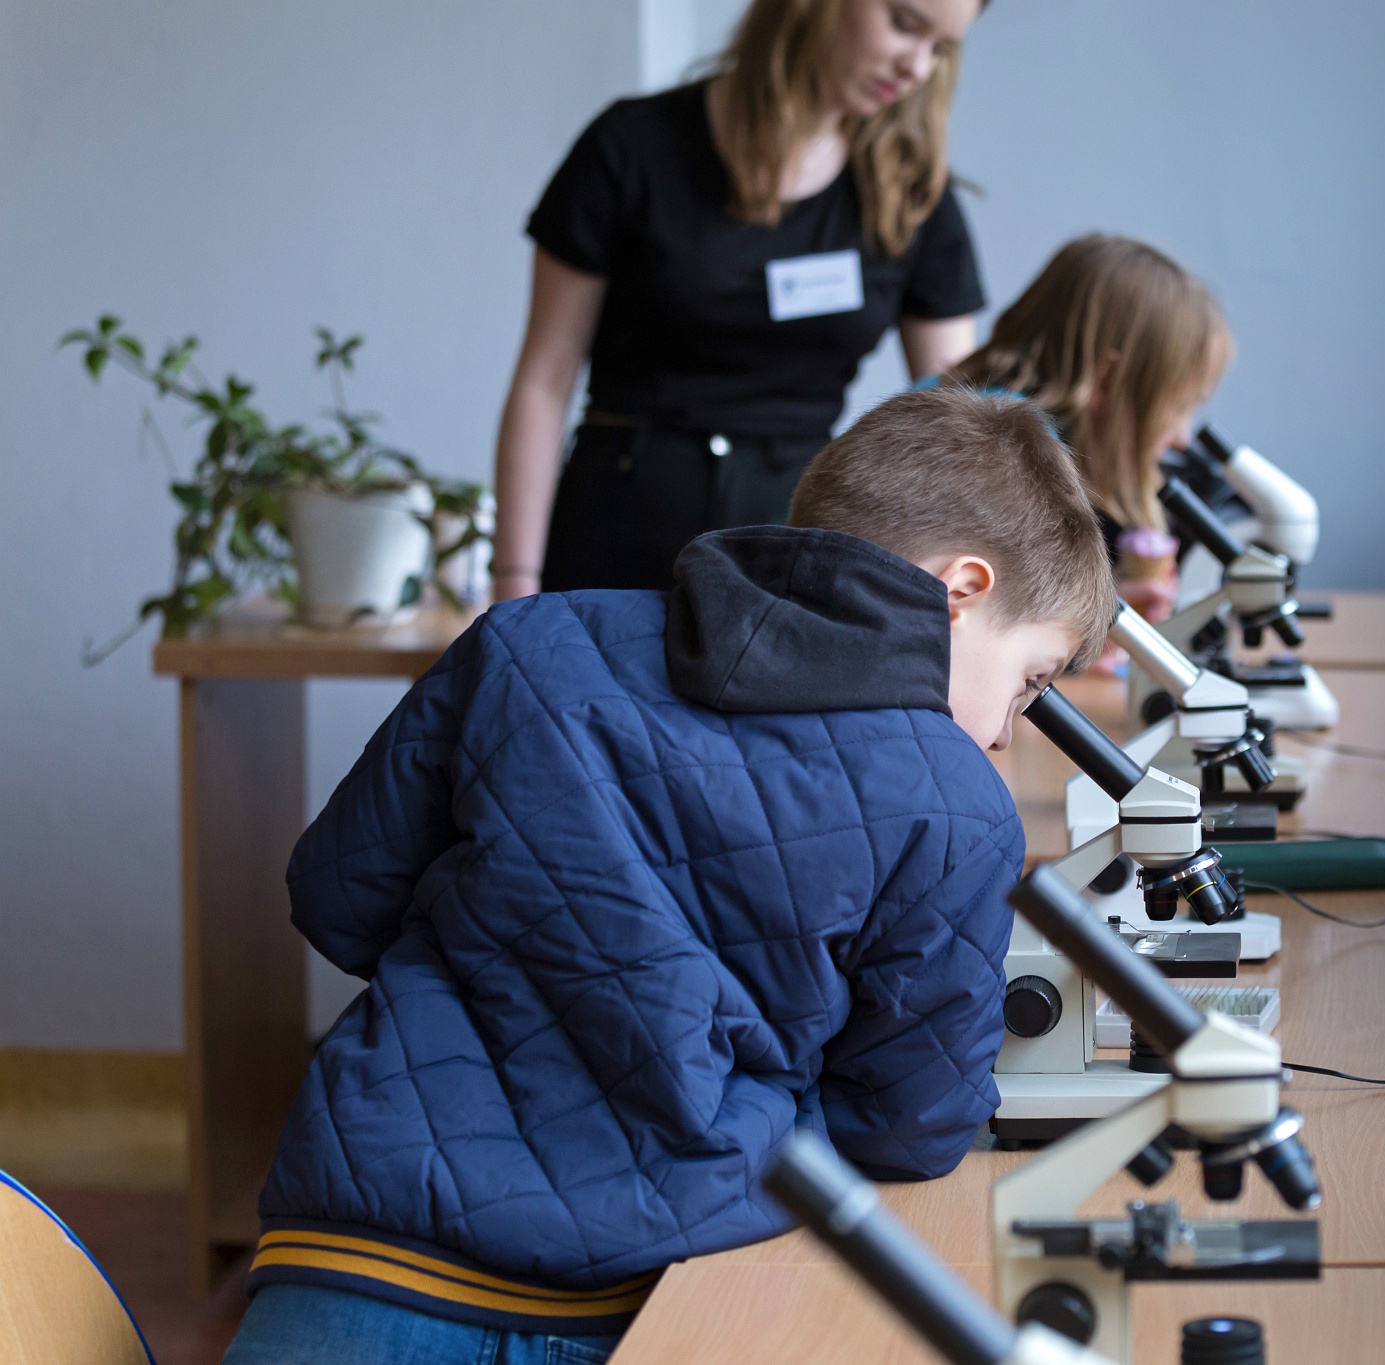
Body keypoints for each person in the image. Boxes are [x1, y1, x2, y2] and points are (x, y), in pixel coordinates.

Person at [221, 388, 1116, 1364]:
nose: (999, 731)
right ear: (962, 587)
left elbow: (337, 897)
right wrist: (755, 1095)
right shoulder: (955, 804)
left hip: (351, 1259)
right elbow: (907, 1130)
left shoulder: (527, 641)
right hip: (635, 1306)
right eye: (1029, 680)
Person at [494, 0, 988, 602]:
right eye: (905, 24)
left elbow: (959, 431)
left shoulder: (915, 199)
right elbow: (544, 383)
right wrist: (514, 579)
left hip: (792, 565)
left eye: (941, 48)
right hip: (611, 545)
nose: (917, 67)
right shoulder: (631, 145)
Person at [949, 234, 1234, 627]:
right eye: (1177, 407)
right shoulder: (1004, 465)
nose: (1182, 439)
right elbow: (975, 629)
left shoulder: (955, 413)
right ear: (1107, 380)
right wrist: (1089, 629)